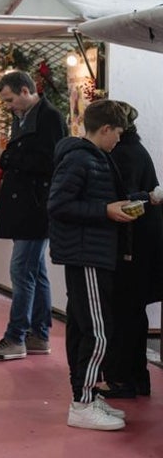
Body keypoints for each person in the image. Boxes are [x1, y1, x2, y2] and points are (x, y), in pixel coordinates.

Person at [47, 99, 148, 430]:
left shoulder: (92, 158)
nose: (119, 139)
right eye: (117, 133)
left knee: (83, 327)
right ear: (105, 129)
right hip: (87, 253)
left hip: (92, 251)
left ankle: (85, 394)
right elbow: (59, 204)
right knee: (98, 331)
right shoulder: (81, 159)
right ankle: (83, 402)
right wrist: (105, 211)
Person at [0, 71, 67, 360]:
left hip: (35, 206)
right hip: (29, 205)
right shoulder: (26, 117)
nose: (9, 105)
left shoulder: (49, 118)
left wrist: (4, 158)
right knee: (35, 271)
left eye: (10, 99)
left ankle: (16, 337)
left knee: (22, 271)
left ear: (27, 90)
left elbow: (48, 161)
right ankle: (39, 334)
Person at [100, 102, 163, 398]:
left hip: (132, 248)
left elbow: (127, 204)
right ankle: (134, 377)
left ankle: (123, 377)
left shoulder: (123, 156)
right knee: (132, 312)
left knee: (124, 312)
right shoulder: (134, 152)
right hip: (142, 246)